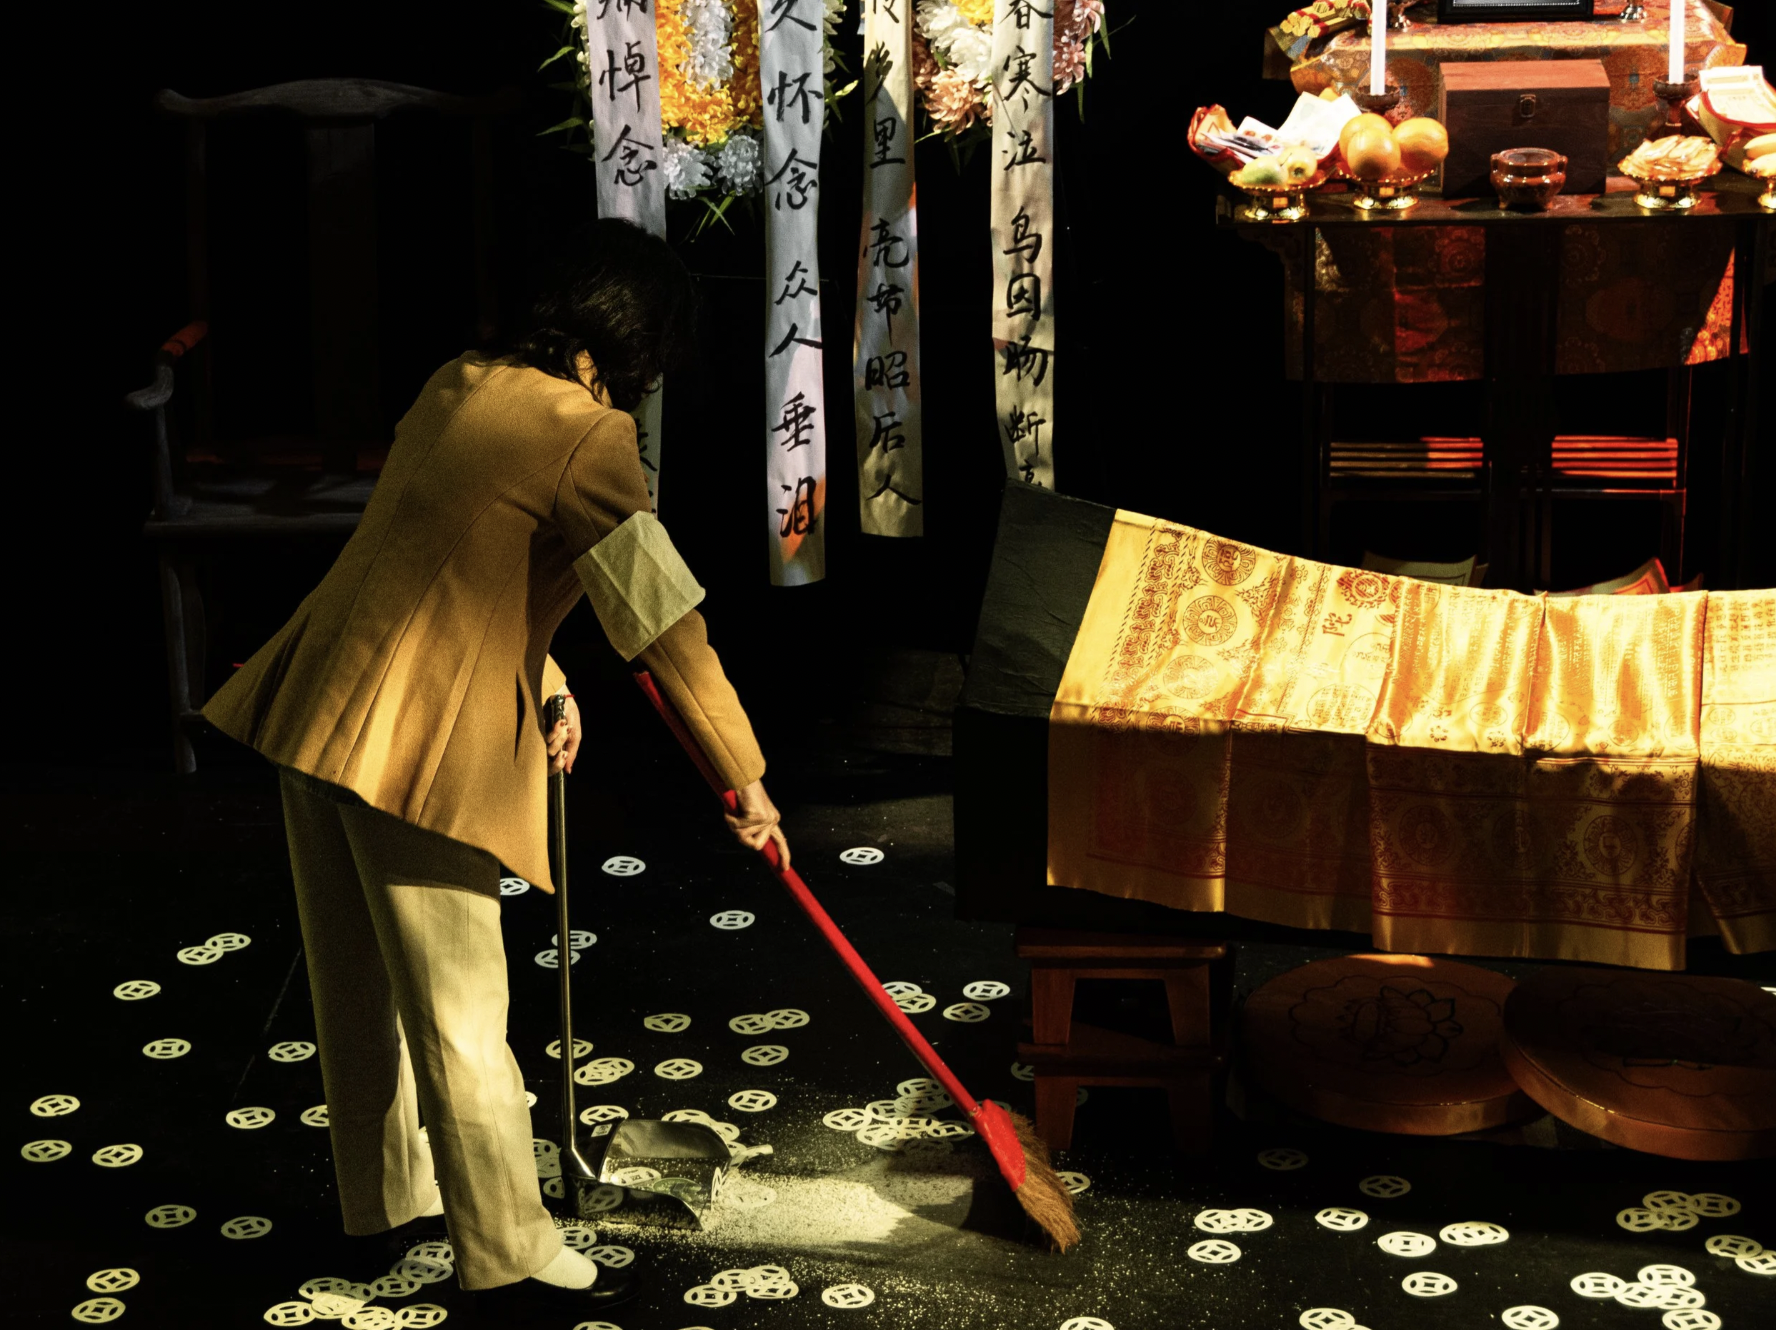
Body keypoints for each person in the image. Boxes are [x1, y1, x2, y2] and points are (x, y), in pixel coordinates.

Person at [201, 217, 789, 1316]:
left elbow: (454, 559)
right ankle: (508, 1248)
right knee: (463, 1014)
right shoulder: (589, 435)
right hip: (410, 745)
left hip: (316, 706)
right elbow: (664, 624)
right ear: (633, 341)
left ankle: (388, 1203)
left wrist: (548, 675)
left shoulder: (457, 382)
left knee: (360, 994)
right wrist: (743, 779)